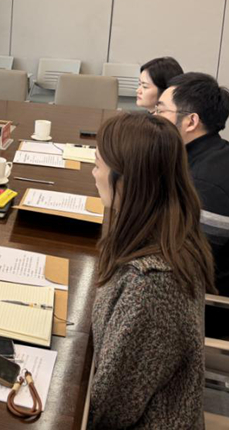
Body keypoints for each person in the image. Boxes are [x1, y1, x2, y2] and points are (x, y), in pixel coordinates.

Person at [89, 112, 215, 429]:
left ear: (126, 180)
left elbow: (107, 412)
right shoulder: (168, 228)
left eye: (97, 165)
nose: (93, 173)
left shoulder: (150, 286)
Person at [155, 72, 229, 336]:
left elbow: (178, 268)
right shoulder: (208, 153)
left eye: (161, 111)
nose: (154, 117)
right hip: (199, 288)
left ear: (191, 121)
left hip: (206, 311)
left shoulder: (208, 185)